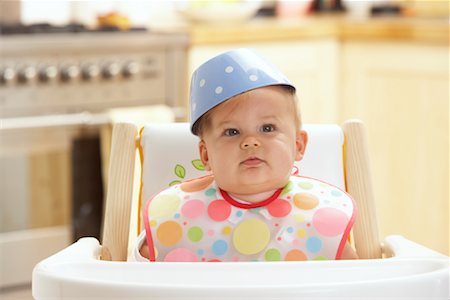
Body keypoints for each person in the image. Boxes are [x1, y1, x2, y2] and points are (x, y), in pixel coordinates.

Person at [133, 48, 358, 262]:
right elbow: (140, 278)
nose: (250, 141)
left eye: (267, 128)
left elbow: (359, 278)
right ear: (206, 155)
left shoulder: (321, 219)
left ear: (298, 145)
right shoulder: (175, 220)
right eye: (232, 132)